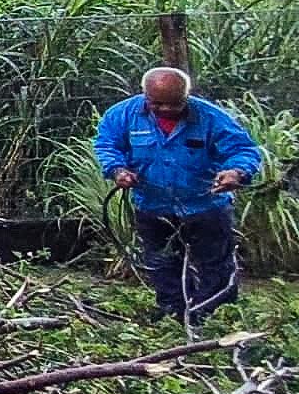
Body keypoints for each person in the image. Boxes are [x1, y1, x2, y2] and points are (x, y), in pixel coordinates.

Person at [94, 66, 262, 325]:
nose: (167, 110)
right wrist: (117, 169)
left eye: (175, 104)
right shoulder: (121, 115)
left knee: (215, 266)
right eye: (157, 103)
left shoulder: (210, 117)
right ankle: (173, 317)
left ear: (186, 96)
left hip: (206, 206)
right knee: (162, 264)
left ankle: (214, 319)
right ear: (145, 95)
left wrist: (236, 172)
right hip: (153, 206)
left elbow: (243, 149)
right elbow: (107, 145)